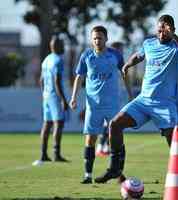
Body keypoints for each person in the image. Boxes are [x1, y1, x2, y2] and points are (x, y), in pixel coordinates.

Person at [94, 14, 178, 183]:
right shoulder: (149, 44)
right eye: (160, 29)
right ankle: (115, 169)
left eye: (166, 30)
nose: (162, 33)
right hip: (143, 101)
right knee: (115, 125)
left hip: (165, 104)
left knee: (175, 143)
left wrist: (174, 36)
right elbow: (139, 56)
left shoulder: (176, 48)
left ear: (172, 30)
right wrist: (127, 65)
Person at [69, 26, 131, 184]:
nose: (97, 40)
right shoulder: (86, 56)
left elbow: (124, 73)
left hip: (112, 105)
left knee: (116, 139)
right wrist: (74, 97)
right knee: (90, 139)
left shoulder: (115, 55)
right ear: (92, 39)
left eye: (100, 38)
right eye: (94, 38)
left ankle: (118, 172)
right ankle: (87, 175)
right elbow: (79, 77)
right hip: (93, 106)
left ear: (106, 39)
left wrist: (130, 94)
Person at [33, 37, 68, 165]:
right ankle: (56, 154)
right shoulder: (58, 60)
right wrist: (63, 100)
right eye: (62, 44)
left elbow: (41, 80)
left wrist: (43, 93)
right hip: (55, 96)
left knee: (47, 124)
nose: (64, 47)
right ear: (57, 46)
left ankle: (43, 154)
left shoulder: (46, 60)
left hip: (46, 96)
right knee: (58, 123)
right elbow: (57, 81)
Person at [95, 41, 132, 158]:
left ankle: (104, 145)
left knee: (110, 123)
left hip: (114, 96)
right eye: (120, 50)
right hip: (108, 97)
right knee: (111, 123)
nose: (121, 52)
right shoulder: (110, 59)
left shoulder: (115, 61)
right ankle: (102, 146)